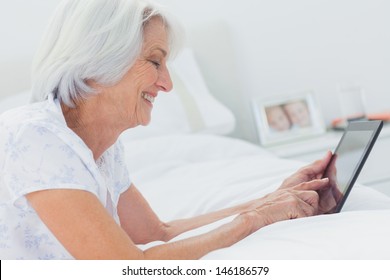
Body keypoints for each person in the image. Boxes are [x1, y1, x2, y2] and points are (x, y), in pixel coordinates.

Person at [0, 0, 339, 260]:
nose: (167, 83)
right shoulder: (37, 139)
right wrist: (256, 220)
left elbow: (158, 233)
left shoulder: (101, 148)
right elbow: (129, 267)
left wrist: (275, 200)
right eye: (155, 61)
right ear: (98, 62)